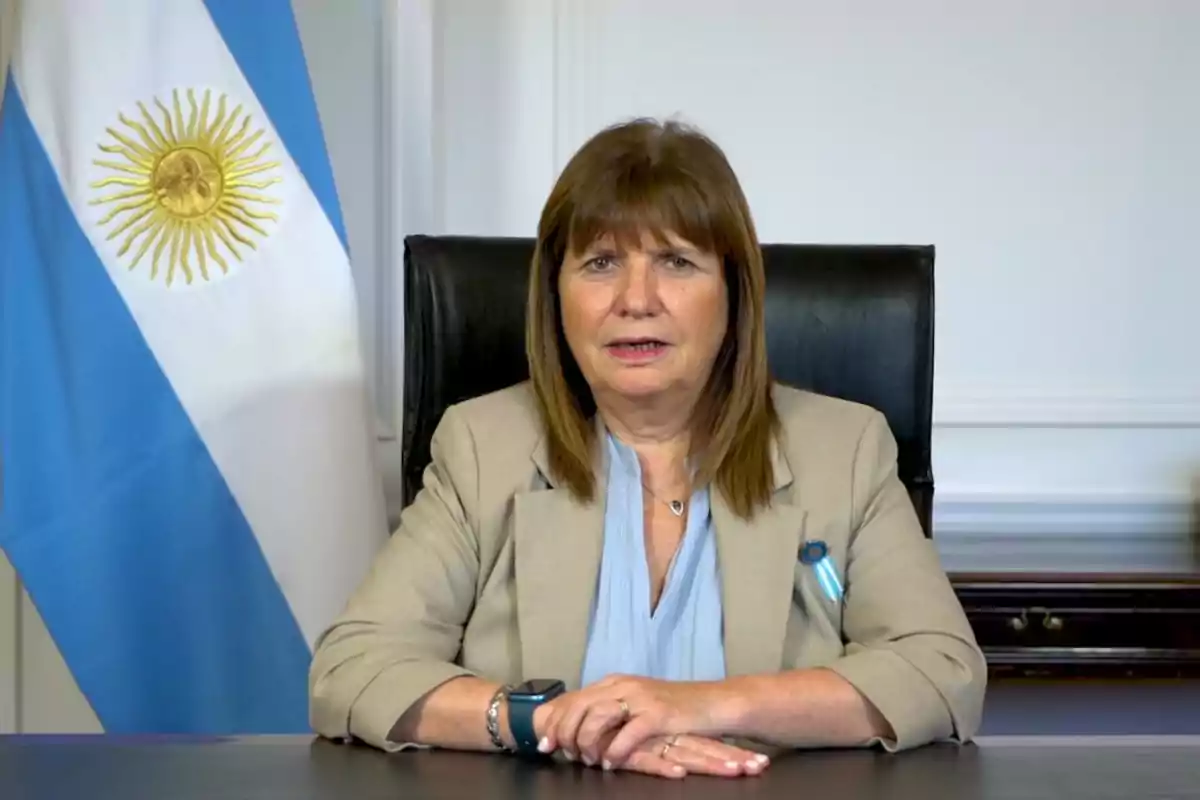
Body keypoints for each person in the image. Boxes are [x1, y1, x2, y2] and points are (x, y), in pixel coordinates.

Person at [309, 118, 987, 779]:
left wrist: (694, 707)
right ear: (555, 296)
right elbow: (353, 669)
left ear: (734, 293)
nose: (637, 300)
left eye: (676, 261)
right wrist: (548, 722)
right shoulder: (484, 446)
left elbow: (940, 669)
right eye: (601, 263)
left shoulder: (843, 450)